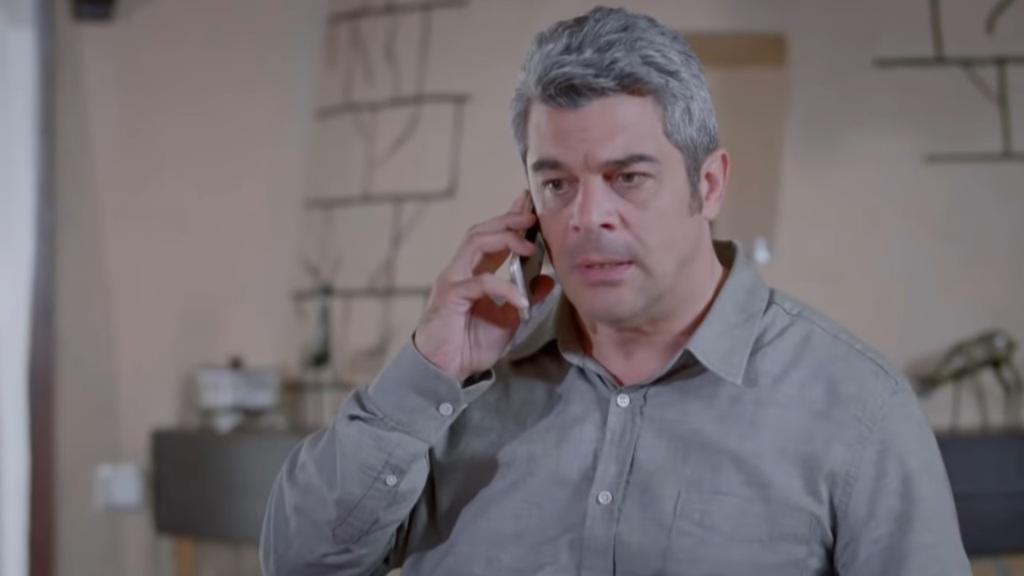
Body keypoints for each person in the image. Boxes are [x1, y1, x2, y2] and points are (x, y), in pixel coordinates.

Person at [261, 6, 969, 575]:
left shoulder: (857, 409)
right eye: (557, 183)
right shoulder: (455, 385)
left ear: (708, 185)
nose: (587, 216)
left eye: (628, 177)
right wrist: (428, 371)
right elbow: (297, 564)